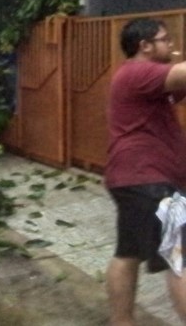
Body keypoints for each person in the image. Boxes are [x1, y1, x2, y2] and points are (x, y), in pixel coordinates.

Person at [105, 17, 186, 325]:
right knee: (179, 257)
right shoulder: (138, 72)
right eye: (165, 39)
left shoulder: (148, 80)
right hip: (149, 181)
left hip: (136, 179)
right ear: (145, 46)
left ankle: (121, 321)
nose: (171, 45)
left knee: (128, 254)